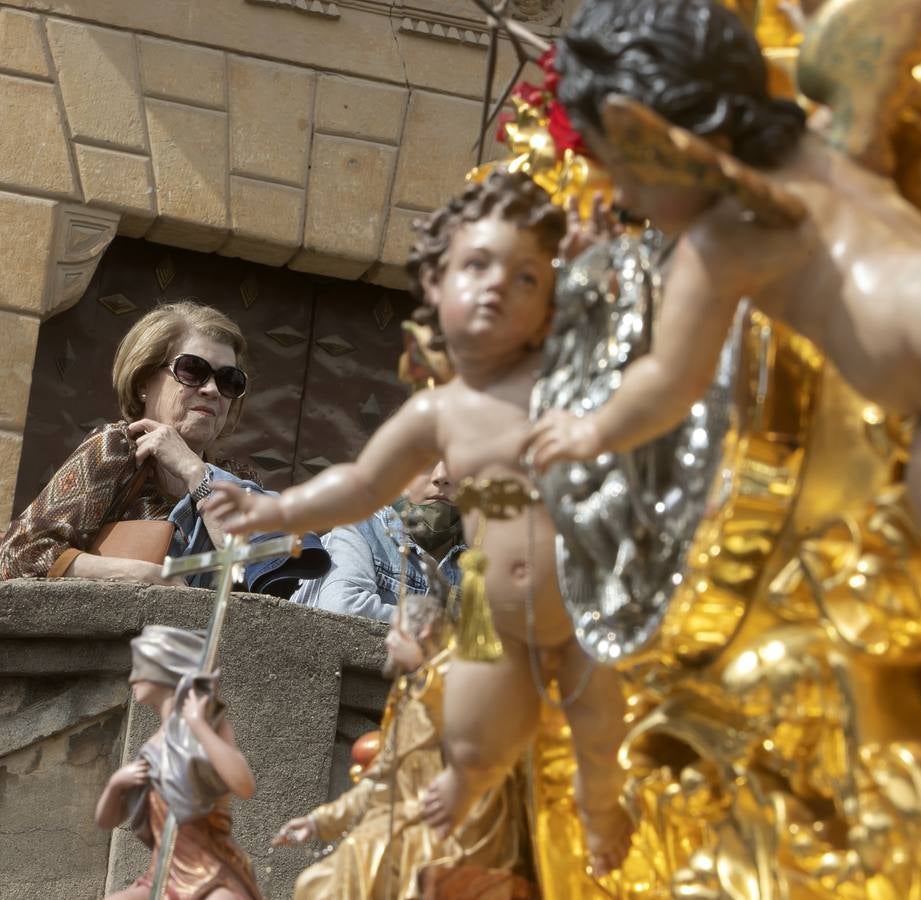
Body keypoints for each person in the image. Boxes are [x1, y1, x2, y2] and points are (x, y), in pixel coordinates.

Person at [205, 171, 635, 875]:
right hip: (491, 619)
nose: (497, 287)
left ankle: (599, 816)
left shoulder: (565, 383)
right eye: (475, 268)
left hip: (576, 604)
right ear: (436, 290)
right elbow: (361, 483)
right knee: (467, 727)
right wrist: (277, 509)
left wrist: (597, 264)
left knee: (600, 726)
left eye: (524, 277)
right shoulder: (443, 411)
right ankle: (468, 784)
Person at [526, 0, 921, 548]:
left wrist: (591, 429)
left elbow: (669, 381)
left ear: (663, 143)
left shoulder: (720, 241)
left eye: (625, 171)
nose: (623, 197)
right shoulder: (831, 137)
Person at [0, 301, 326, 594]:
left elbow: (259, 572)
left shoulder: (234, 478)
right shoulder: (118, 450)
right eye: (192, 370)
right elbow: (18, 556)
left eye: (229, 380)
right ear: (142, 383)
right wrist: (139, 573)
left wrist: (197, 474)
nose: (211, 389)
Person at [273, 590, 534, 899]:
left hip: (456, 830)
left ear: (423, 632)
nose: (387, 640)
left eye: (396, 631)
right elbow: (381, 781)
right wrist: (318, 822)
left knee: (370, 864)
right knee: (317, 882)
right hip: (403, 823)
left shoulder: (455, 685)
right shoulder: (410, 698)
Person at [94, 625, 261, 900]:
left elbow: (245, 786)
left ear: (163, 671)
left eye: (140, 668)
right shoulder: (152, 748)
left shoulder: (211, 727)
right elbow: (106, 821)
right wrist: (115, 784)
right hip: (162, 876)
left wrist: (198, 725)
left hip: (211, 872)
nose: (132, 678)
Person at [291, 462, 465, 623]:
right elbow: (342, 607)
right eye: (427, 460)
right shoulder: (363, 526)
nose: (442, 475)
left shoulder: (479, 558)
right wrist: (445, 626)